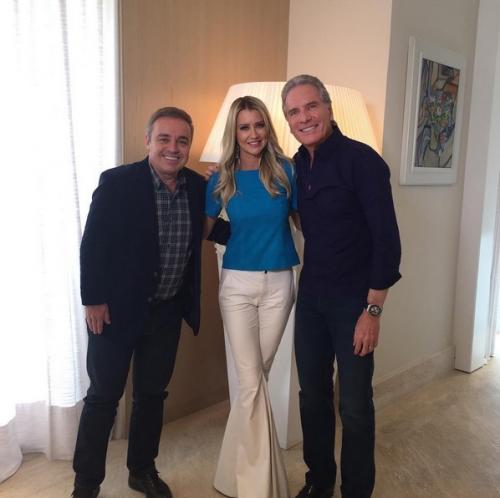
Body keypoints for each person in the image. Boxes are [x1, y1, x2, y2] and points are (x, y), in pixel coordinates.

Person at [71, 107, 206, 498]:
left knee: (151, 396)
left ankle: (142, 470)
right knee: (102, 398)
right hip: (115, 312)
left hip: (166, 312)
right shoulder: (117, 183)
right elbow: (92, 244)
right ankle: (86, 484)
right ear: (148, 141)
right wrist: (93, 300)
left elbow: (217, 229)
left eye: (182, 141)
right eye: (164, 138)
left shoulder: (198, 187)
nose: (173, 148)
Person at [281, 75, 401, 498]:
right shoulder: (295, 165)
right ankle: (319, 481)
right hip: (311, 298)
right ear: (288, 121)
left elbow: (387, 242)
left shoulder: (363, 161)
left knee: (353, 406)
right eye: (294, 112)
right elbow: (293, 213)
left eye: (311, 106)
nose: (304, 117)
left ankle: (356, 490)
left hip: (355, 303)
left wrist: (373, 312)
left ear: (328, 109)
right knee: (312, 396)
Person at [205, 96, 299, 498]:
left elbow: (305, 222)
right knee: (250, 380)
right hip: (237, 287)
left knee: (253, 381)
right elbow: (204, 229)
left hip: (279, 283)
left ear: (267, 128)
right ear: (235, 132)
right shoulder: (221, 178)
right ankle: (260, 487)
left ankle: (230, 476)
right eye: (244, 127)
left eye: (259, 125)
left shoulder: (287, 171)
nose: (253, 133)